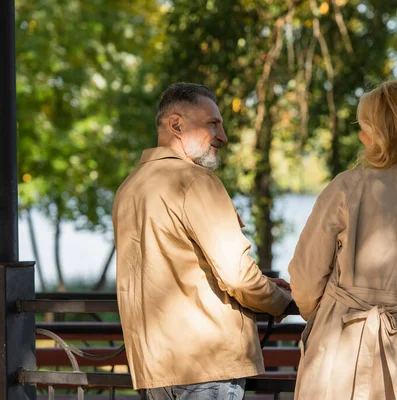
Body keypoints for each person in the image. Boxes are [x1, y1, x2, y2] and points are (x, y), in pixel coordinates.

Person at [288, 80, 397, 400]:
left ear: (383, 130)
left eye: (366, 126)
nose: (361, 135)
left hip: (340, 342)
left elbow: (306, 275)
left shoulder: (346, 187)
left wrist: (333, 304)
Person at [112, 82, 292, 400]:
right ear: (176, 125)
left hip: (153, 368)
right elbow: (237, 275)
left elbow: (179, 267)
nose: (222, 136)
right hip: (205, 366)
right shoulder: (195, 181)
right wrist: (280, 300)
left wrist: (263, 284)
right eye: (213, 123)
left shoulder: (130, 187)